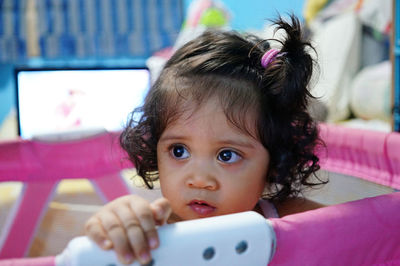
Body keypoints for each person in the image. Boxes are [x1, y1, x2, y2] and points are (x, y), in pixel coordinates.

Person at [85, 15, 326, 265]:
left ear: (274, 161)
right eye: (179, 151)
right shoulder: (151, 232)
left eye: (226, 155)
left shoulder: (286, 217)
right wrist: (117, 225)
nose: (199, 180)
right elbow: (102, 245)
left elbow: (357, 231)